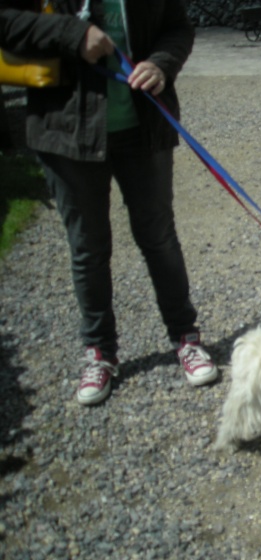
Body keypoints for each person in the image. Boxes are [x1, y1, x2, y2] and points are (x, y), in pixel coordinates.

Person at [0, 0, 219, 405]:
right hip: (66, 133)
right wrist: (73, 35)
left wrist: (161, 63)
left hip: (144, 128)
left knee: (159, 238)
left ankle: (185, 337)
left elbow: (177, 26)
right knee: (89, 248)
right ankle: (99, 352)